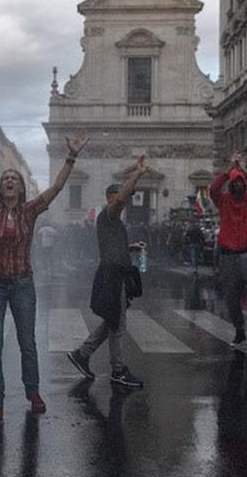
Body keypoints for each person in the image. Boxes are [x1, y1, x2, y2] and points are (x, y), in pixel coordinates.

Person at [0, 112, 88, 426]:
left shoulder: (31, 211)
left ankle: (33, 392)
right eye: (5, 178)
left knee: (27, 342)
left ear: (20, 188)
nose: (8, 181)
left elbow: (57, 188)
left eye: (13, 179)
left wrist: (71, 155)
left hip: (22, 284)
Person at [67, 156, 150, 389]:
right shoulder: (109, 213)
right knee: (118, 325)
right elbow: (122, 197)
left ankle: (82, 354)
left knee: (112, 321)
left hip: (115, 274)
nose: (125, 202)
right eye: (121, 197)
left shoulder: (113, 222)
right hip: (112, 275)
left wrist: (130, 248)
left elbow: (111, 246)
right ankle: (118, 369)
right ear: (111, 198)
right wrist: (137, 173)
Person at [209, 151, 247, 348]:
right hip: (228, 253)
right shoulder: (224, 200)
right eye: (235, 182)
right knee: (231, 295)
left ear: (244, 184)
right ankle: (239, 330)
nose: (238, 185)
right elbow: (214, 189)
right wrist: (228, 171)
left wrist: (245, 171)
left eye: (240, 182)